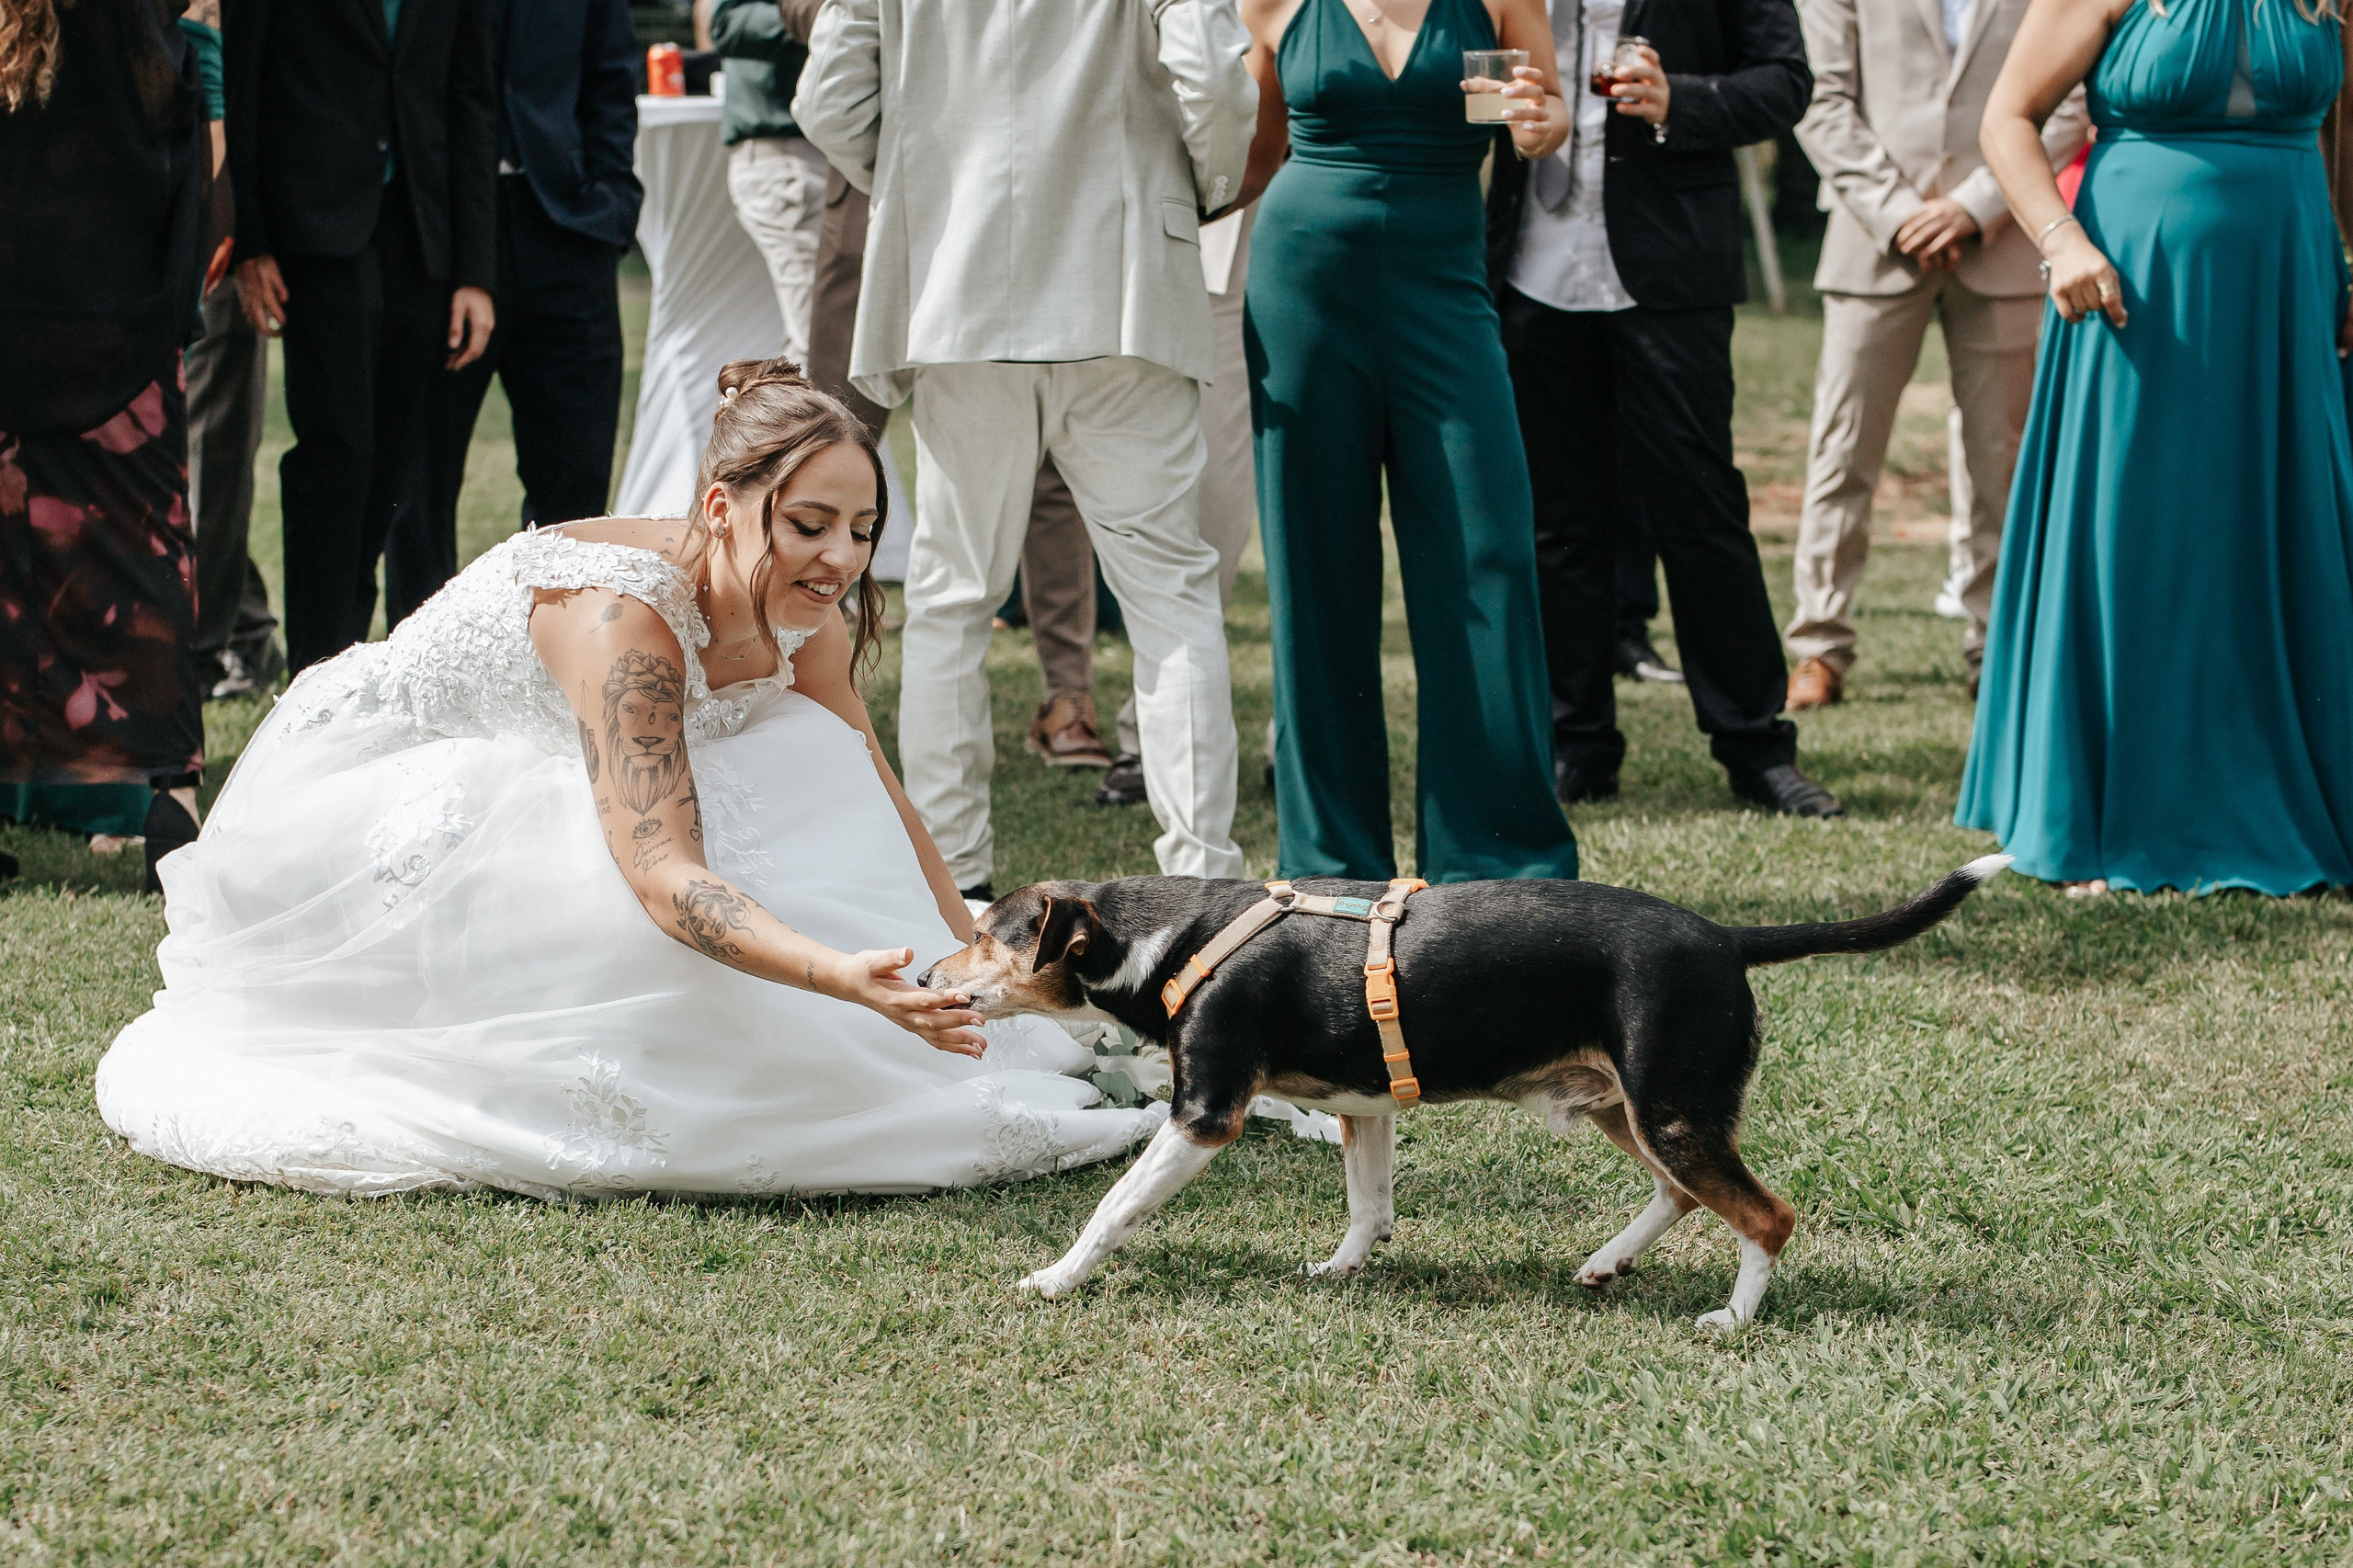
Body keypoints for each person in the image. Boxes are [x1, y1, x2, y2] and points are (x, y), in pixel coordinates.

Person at [95, 359, 1161, 1198]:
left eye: (863, 529)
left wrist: (970, 957)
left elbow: (875, 784)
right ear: (723, 505)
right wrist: (839, 975)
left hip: (604, 772)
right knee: (637, 924)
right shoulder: (626, 621)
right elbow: (662, 875)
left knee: (811, 757)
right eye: (809, 524)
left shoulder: (809, 607)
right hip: (403, 791)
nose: (840, 558)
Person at [795, 0, 1256, 902]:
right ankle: (1202, 883)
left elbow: (829, 100)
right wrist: (1188, 189)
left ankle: (950, 876)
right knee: (1169, 594)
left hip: (959, 283)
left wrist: (930, 188)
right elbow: (1213, 84)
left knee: (953, 590)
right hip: (1125, 276)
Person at [1959, 0, 2353, 895]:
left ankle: (2284, 799)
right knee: (2139, 531)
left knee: (2284, 530)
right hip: (2137, 283)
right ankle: (2108, 812)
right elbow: (2006, 118)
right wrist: (2060, 242)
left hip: (2288, 280)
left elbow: (2344, 127)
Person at [1236, 0, 1580, 882]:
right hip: (1301, 287)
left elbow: (1538, 123)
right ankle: (1330, 862)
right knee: (1316, 569)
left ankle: (1500, 860)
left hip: (1444, 285)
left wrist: (1542, 120)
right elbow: (1255, 152)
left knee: (1486, 554)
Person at [1489, 0, 1842, 816]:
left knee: (1701, 508)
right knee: (1557, 522)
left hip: (1671, 268)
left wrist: (1680, 99)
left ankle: (1755, 745)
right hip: (1529, 269)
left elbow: (1786, 83)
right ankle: (1575, 743)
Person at [1781, 0, 2089, 710]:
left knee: (2002, 459)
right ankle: (1819, 645)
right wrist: (1898, 215)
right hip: (1872, 238)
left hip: (2004, 237)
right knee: (1843, 450)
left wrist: (1975, 206)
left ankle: (1995, 642)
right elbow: (1819, 98)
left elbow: (2070, 102)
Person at [0, 0, 210, 890]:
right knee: (146, 568)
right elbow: (171, 128)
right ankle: (172, 798)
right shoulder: (129, 15)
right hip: (114, 333)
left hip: (13, 333)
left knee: (10, 580)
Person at [224, 0, 498, 676]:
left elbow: (471, 100)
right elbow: (242, 80)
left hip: (420, 232)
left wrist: (475, 272)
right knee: (337, 450)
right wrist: (250, 243)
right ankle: (318, 673)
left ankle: (350, 657)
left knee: (394, 459)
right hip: (313, 229)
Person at [392, 0, 642, 627]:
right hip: (441, 241)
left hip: (566, 231)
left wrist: (609, 207)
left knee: (576, 483)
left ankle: (563, 665)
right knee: (419, 481)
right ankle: (425, 672)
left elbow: (612, 78)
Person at [1021, 208, 1265, 803]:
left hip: (1273, 213)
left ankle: (1301, 737)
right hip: (1187, 232)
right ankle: (1151, 737)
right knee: (1205, 514)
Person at [179, 0, 287, 702]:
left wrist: (238, 236)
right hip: (144, 223)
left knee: (212, 446)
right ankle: (245, 631)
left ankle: (196, 649)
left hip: (212, 221)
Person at [714, 0, 824, 365]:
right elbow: (728, 22)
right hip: (788, 160)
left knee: (828, 341)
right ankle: (798, 423)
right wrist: (835, 15)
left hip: (822, 158)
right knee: (817, 345)